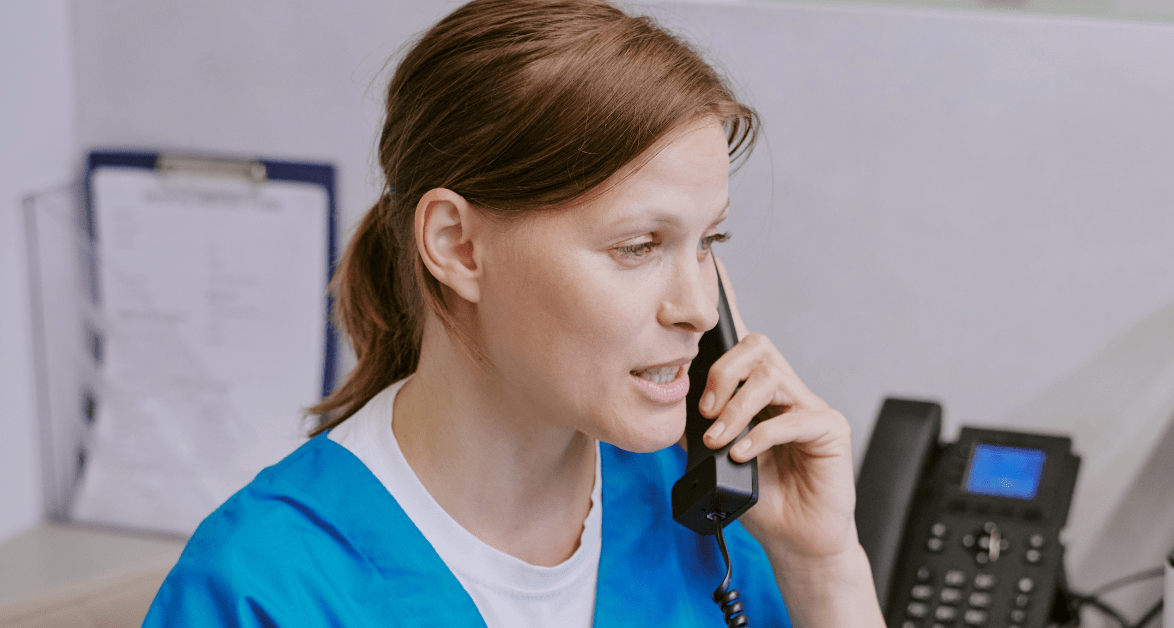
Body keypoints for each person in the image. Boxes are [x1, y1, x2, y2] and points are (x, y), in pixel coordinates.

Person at [143, 0, 886, 626]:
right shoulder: (262, 587)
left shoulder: (710, 520)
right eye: (637, 246)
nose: (697, 308)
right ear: (458, 246)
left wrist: (823, 567)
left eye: (707, 242)